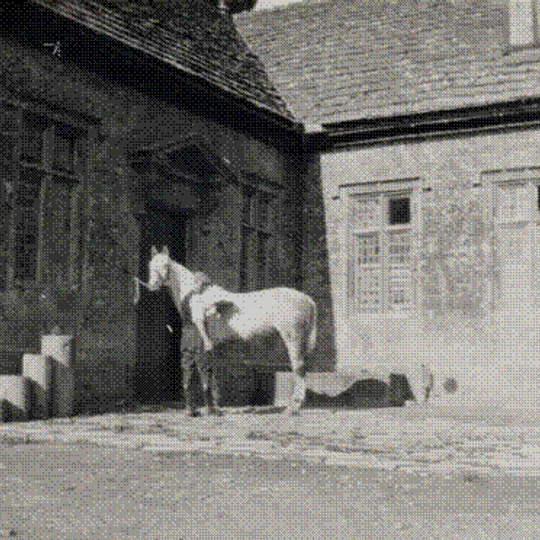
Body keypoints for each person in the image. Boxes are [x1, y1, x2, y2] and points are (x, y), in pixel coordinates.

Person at [179, 272, 221, 417]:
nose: (205, 290)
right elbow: (198, 320)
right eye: (204, 286)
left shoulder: (185, 298)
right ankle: (210, 408)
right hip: (197, 337)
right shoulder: (197, 298)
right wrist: (207, 339)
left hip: (186, 337)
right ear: (199, 283)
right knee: (205, 370)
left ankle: (189, 407)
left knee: (188, 370)